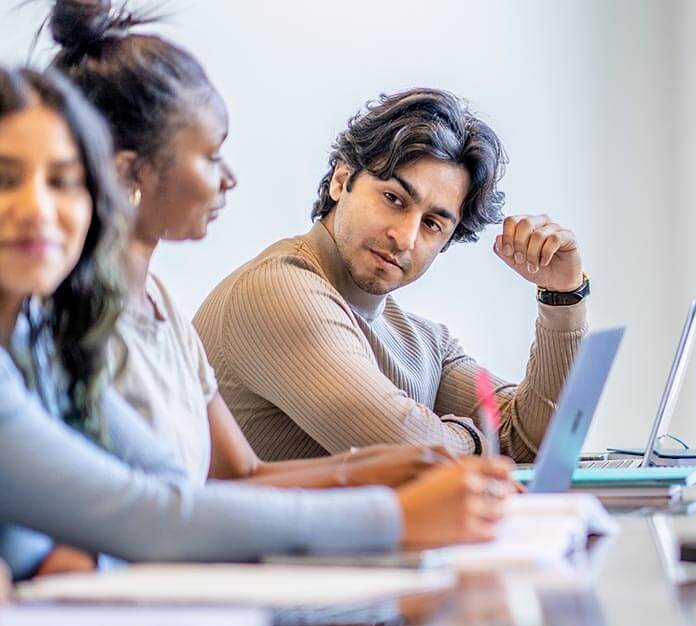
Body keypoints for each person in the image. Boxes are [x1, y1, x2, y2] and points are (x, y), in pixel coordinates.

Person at [0, 65, 510, 581]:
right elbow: (153, 517)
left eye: (64, 181)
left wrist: (563, 297)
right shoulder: (280, 287)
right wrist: (396, 514)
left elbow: (174, 491)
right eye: (5, 179)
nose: (39, 210)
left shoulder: (37, 336)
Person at [46, 0, 450, 489]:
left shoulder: (161, 303)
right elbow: (167, 507)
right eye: (212, 156)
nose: (229, 179)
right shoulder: (69, 320)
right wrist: (392, 500)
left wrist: (400, 469)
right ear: (131, 172)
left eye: (434, 223)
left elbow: (241, 474)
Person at [194, 87, 592, 462]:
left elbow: (537, 444)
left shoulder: (423, 341)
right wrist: (480, 440)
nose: (405, 238)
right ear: (341, 179)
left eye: (433, 224)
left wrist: (562, 294)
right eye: (394, 199)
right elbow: (405, 449)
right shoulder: (277, 289)